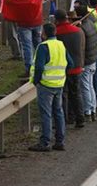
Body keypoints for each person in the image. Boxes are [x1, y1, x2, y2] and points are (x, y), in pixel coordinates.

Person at [28, 23, 74, 152]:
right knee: (58, 113)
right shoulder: (61, 45)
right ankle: (60, 141)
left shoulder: (43, 47)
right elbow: (70, 63)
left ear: (44, 33)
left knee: (46, 114)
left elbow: (39, 67)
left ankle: (45, 142)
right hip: (59, 84)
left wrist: (36, 81)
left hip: (46, 85)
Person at [2, 0, 47, 77]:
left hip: (22, 22)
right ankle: (42, 65)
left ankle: (29, 69)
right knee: (38, 43)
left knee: (26, 45)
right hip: (37, 20)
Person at [53, 9, 85, 128]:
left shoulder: (57, 34)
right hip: (77, 67)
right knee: (76, 93)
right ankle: (80, 118)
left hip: (62, 69)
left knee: (63, 95)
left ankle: (65, 119)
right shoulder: (78, 31)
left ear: (56, 20)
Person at [74, 4, 97, 121]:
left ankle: (87, 110)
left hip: (87, 61)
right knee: (90, 85)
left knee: (85, 86)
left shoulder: (82, 28)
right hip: (93, 58)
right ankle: (93, 108)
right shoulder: (91, 23)